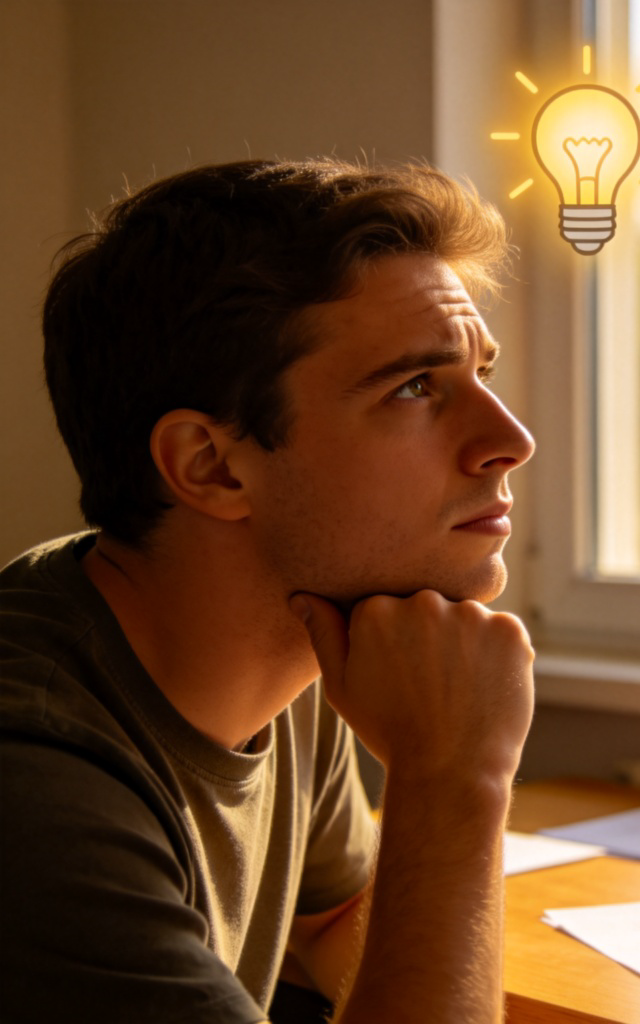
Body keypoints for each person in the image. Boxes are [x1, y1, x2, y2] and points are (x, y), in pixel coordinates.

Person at [0, 158, 536, 1023]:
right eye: (414, 387)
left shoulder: (293, 643)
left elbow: (331, 921)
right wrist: (456, 780)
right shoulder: (35, 788)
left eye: (483, 375)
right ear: (211, 466)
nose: (510, 439)